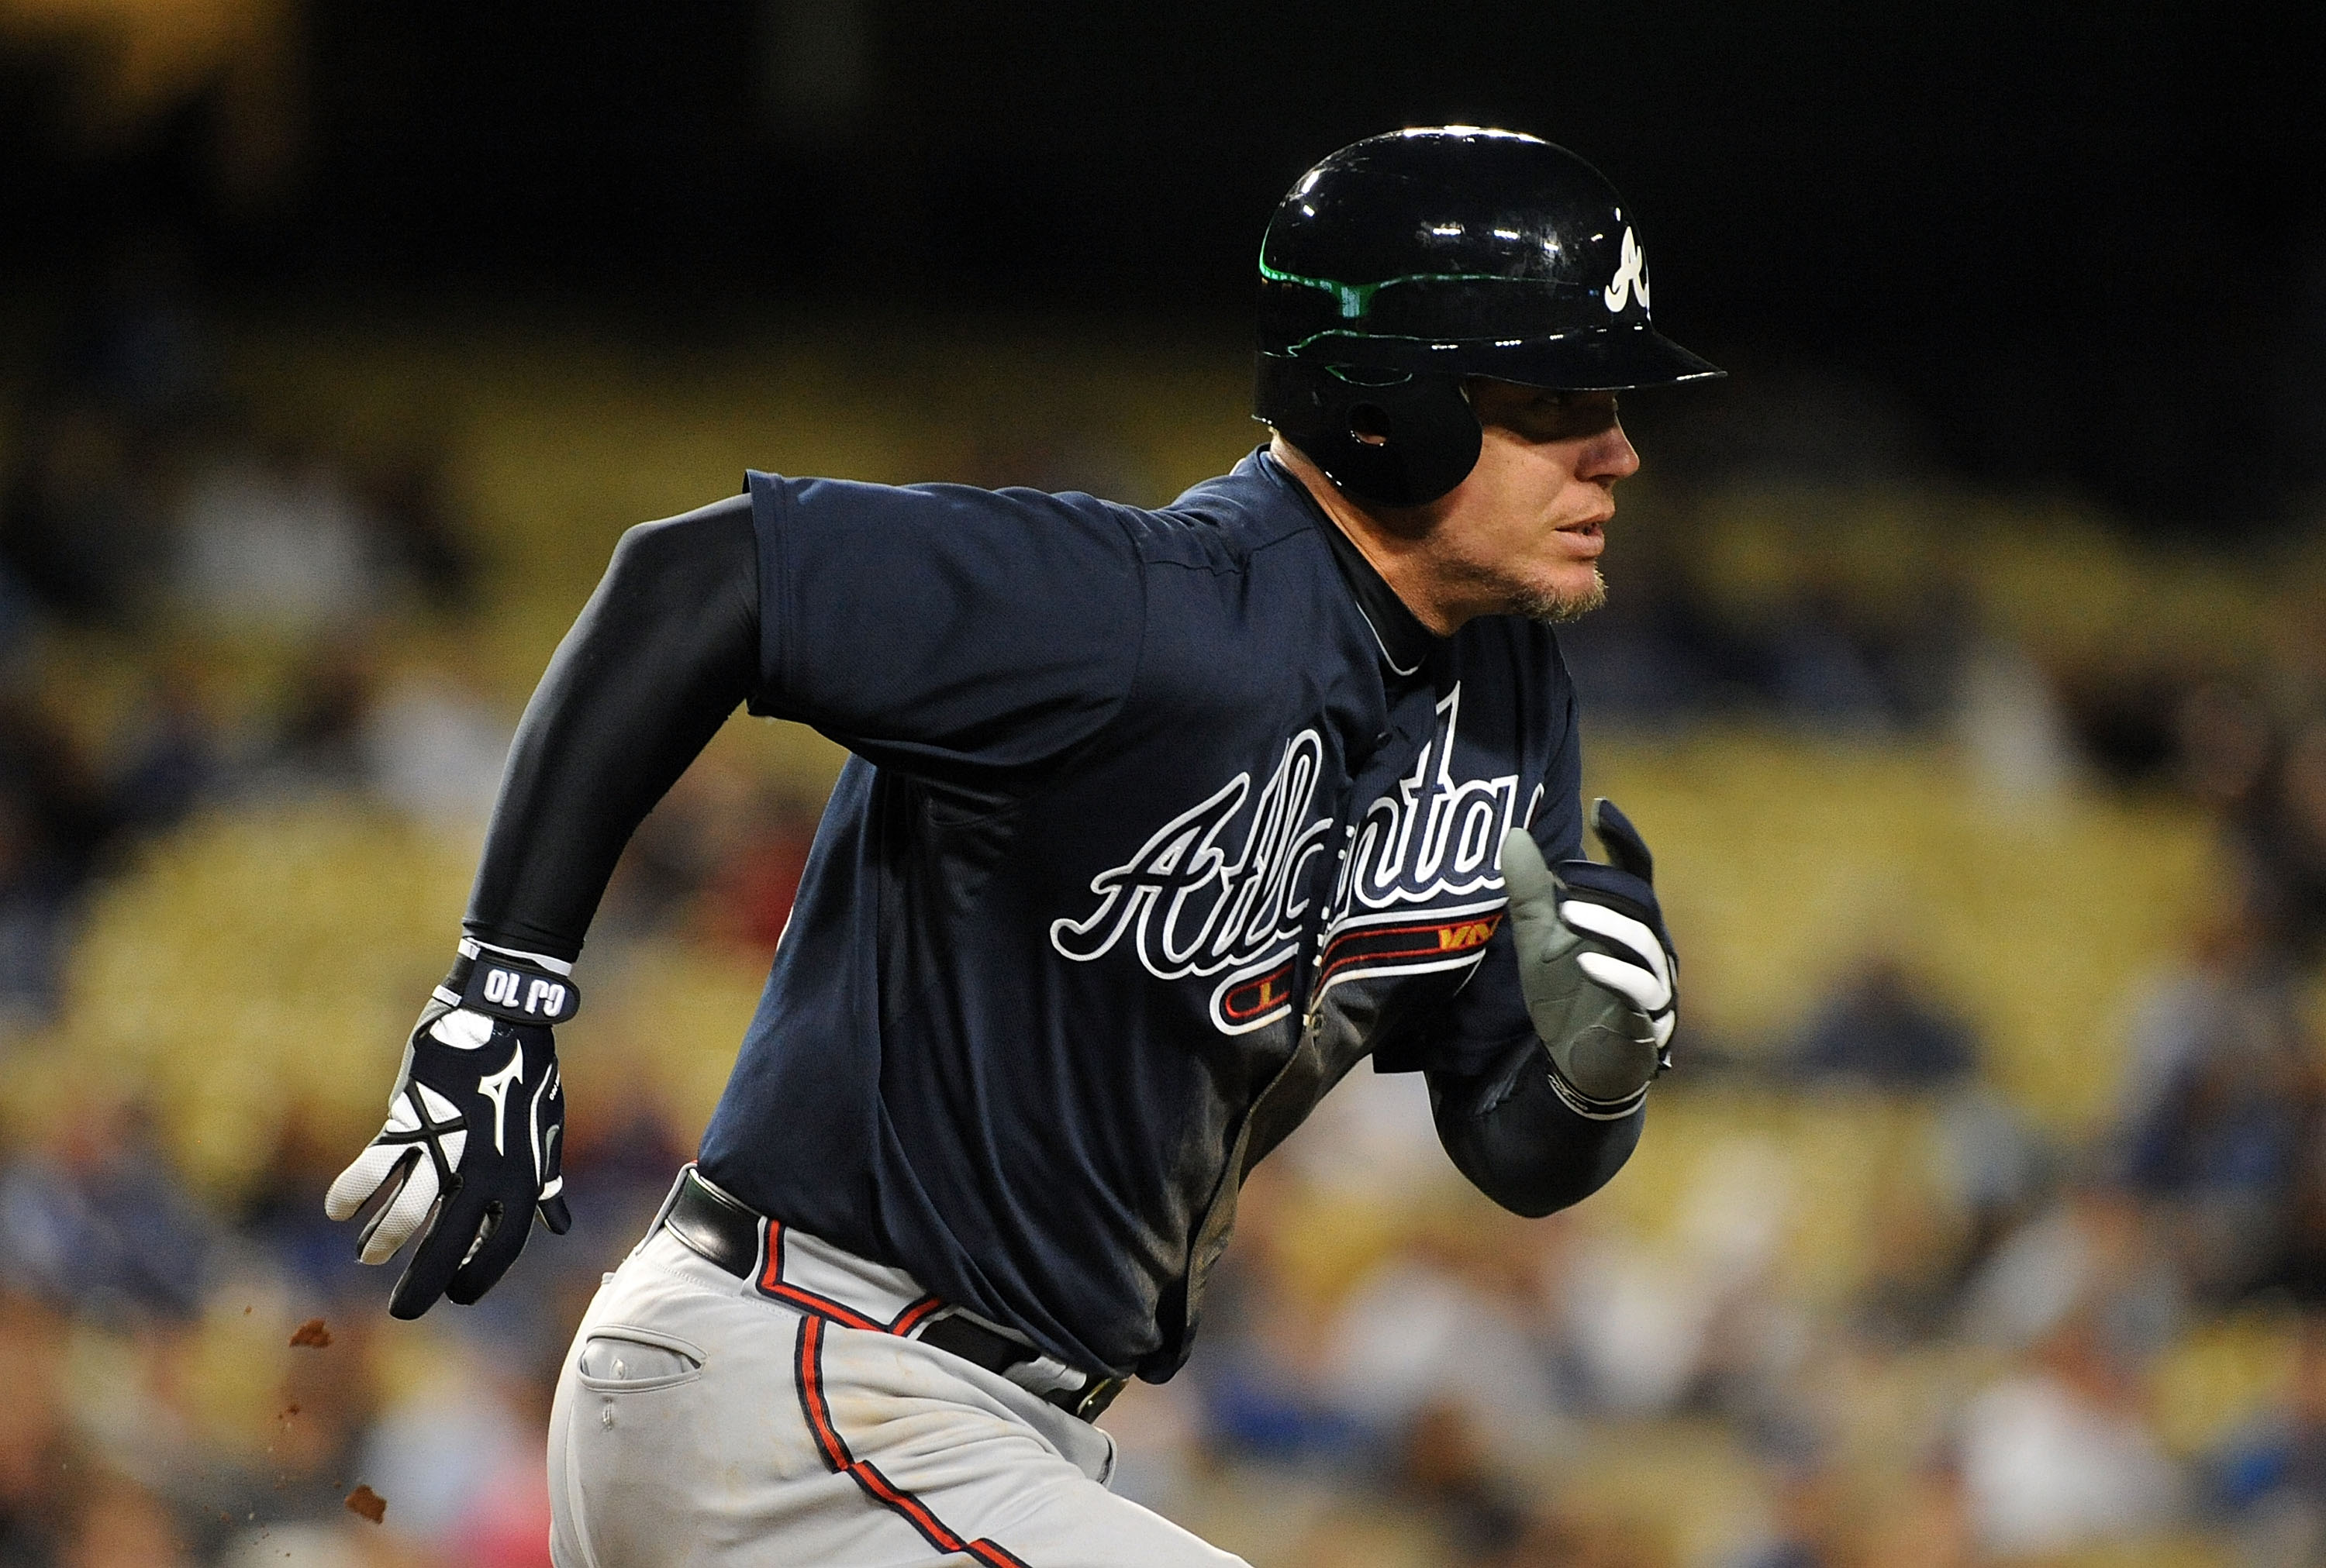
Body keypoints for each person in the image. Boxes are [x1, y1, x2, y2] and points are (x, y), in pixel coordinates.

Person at [326, 126, 1719, 1566]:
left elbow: (1511, 1146)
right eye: (1557, 400)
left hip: (965, 1426)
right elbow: (697, 578)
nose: (1618, 449)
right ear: (1391, 403)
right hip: (798, 1383)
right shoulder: (1144, 610)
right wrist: (502, 991)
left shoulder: (1510, 708)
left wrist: (1595, 1074)